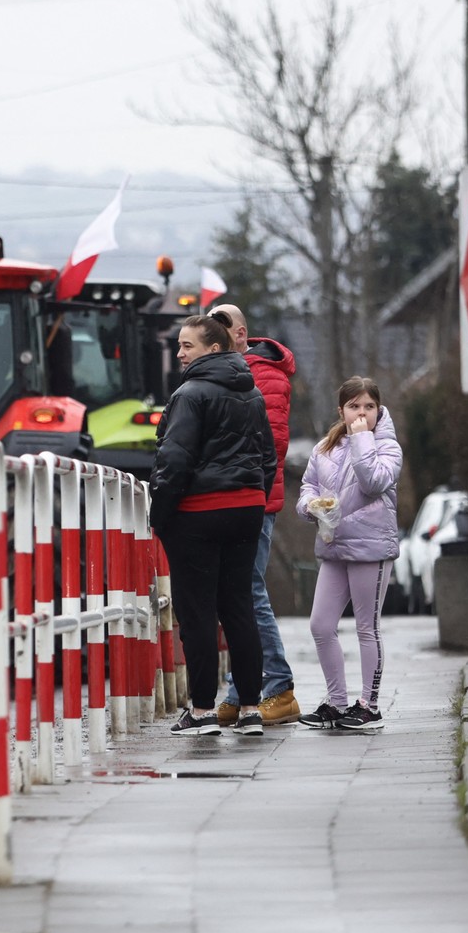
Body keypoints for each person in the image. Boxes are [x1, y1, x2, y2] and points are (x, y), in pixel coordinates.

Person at [149, 314, 276, 736]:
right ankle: (251, 710)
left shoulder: (190, 393)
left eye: (188, 346)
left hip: (199, 513)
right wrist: (252, 498)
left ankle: (202, 711)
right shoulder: (252, 393)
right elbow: (268, 459)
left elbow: (175, 460)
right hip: (247, 509)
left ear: (214, 349)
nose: (181, 353)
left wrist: (160, 515)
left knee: (197, 611)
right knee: (239, 609)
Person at [207, 303, 300, 726]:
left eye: (227, 328)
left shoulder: (264, 375)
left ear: (243, 334)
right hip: (235, 499)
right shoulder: (226, 374)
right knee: (237, 595)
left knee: (246, 592)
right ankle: (239, 690)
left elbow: (271, 446)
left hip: (253, 501)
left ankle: (278, 686)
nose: (222, 337)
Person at [295, 376, 402, 732]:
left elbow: (372, 482)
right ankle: (336, 703)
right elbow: (308, 484)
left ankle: (369, 706)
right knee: (321, 625)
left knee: (366, 627)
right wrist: (309, 505)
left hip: (370, 548)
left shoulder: (387, 447)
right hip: (334, 545)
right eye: (354, 406)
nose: (361, 413)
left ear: (378, 409)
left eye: (368, 406)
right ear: (341, 410)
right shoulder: (325, 446)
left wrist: (361, 439)